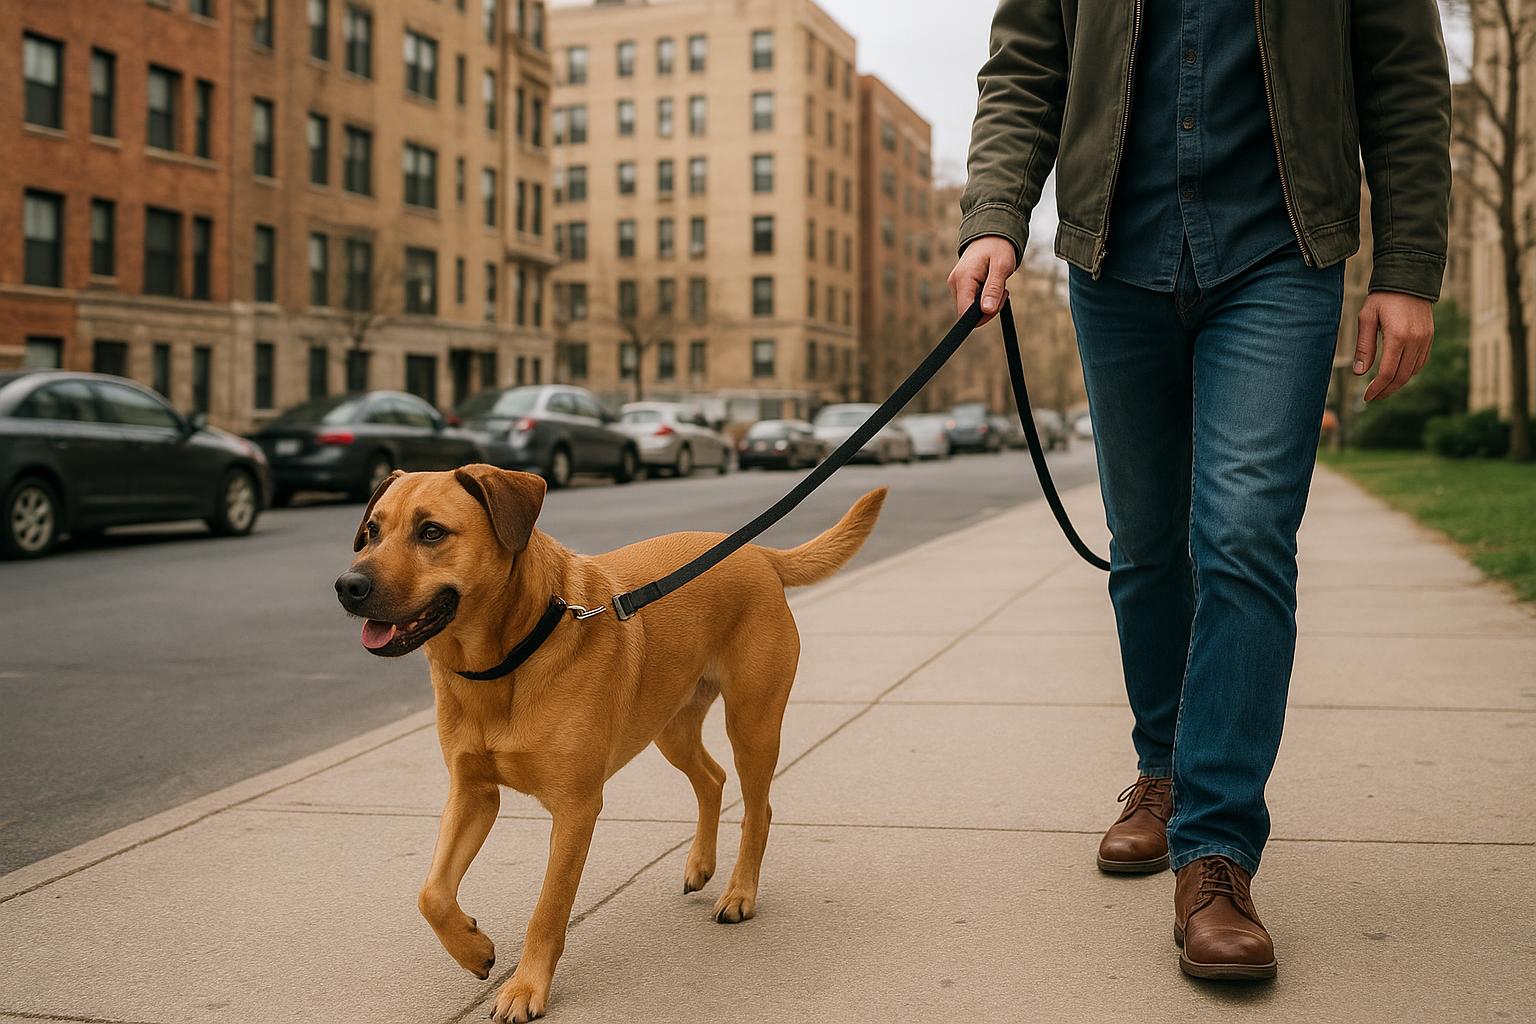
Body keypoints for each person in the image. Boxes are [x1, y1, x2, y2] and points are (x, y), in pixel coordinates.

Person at [948, 0, 1450, 981]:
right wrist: (997, 215)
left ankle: (1216, 851)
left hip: (1279, 251)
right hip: (1114, 253)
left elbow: (1404, 76)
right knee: (1145, 544)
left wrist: (1409, 265)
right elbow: (1025, 67)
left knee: (1244, 535)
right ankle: (1164, 771)